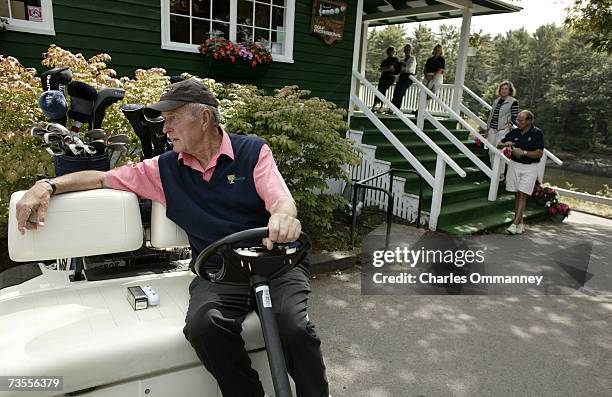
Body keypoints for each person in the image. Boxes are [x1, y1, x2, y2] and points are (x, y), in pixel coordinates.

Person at [15, 79, 330, 397]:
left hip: (275, 260)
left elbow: (280, 200)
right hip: (220, 270)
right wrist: (47, 186)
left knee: (293, 326)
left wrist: (284, 217)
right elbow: (100, 178)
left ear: (204, 118)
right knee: (204, 328)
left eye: (172, 119)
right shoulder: (162, 170)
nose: (165, 129)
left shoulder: (252, 151)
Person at [499, 110, 544, 235]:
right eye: (517, 120)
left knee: (522, 195)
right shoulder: (514, 132)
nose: (518, 122)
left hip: (530, 167)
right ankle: (520, 223)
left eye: (521, 120)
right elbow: (499, 144)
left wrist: (523, 152)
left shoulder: (537, 133)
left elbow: (539, 153)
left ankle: (514, 224)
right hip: (514, 165)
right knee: (517, 195)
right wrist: (505, 143)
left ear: (529, 121)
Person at [486, 80, 519, 181]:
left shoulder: (513, 101)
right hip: (492, 129)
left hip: (502, 130)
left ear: (510, 91)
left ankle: (500, 174)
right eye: (502, 89)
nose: (504, 90)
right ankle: (493, 172)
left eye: (506, 89)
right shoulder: (496, 101)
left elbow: (515, 115)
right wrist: (487, 127)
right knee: (491, 152)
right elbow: (491, 115)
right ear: (500, 90)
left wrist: (510, 124)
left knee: (500, 151)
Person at [391, 44, 417, 112]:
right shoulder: (402, 60)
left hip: (409, 76)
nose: (407, 51)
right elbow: (399, 70)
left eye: (408, 50)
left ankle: (397, 109)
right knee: (396, 91)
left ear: (411, 50)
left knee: (400, 92)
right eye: (405, 50)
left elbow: (409, 69)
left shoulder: (412, 58)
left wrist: (401, 69)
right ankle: (392, 108)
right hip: (402, 76)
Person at [372, 46, 399, 112]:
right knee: (379, 90)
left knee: (383, 90)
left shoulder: (395, 59)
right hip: (383, 77)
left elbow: (391, 68)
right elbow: (381, 69)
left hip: (390, 77)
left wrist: (385, 69)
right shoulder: (384, 61)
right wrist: (387, 69)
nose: (391, 53)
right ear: (387, 52)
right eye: (389, 51)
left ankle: (381, 107)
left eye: (392, 51)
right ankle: (374, 106)